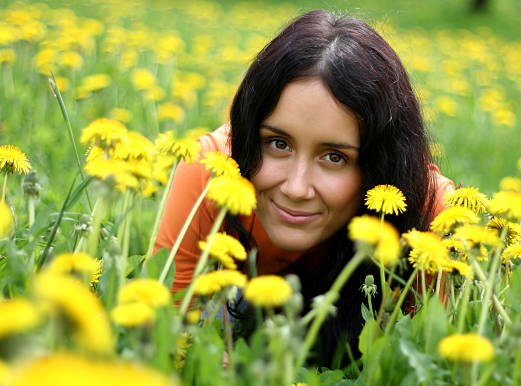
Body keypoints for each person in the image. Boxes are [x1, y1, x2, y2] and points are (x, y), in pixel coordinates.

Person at [155, 10, 454, 364]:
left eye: (334, 157)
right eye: (278, 144)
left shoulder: (431, 216)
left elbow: (430, 361)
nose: (296, 188)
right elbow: (164, 338)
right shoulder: (209, 176)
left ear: (379, 164)